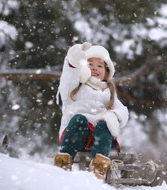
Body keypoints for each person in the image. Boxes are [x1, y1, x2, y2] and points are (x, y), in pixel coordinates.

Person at [54, 42, 129, 180]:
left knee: (104, 124)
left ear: (107, 72)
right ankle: (63, 161)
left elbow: (123, 111)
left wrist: (112, 116)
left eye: (99, 65)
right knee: (79, 119)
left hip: (100, 140)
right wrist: (74, 60)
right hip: (76, 136)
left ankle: (98, 168)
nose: (95, 68)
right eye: (90, 64)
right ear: (83, 68)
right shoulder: (75, 86)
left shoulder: (109, 92)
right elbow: (69, 75)